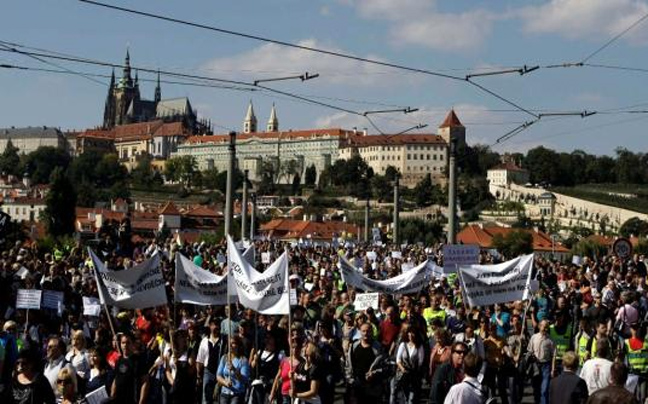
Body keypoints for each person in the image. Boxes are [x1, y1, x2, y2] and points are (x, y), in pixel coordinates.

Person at [345, 322, 385, 404]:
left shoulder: (378, 347)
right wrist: (350, 380)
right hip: (356, 384)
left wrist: (373, 373)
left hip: (372, 387)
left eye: (368, 331)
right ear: (360, 332)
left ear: (372, 332)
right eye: (363, 331)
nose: (366, 333)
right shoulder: (354, 346)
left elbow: (383, 367)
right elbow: (348, 364)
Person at [111, 333, 149, 404]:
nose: (125, 345)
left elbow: (145, 383)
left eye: (128, 343)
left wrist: (141, 402)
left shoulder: (138, 360)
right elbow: (116, 379)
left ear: (133, 344)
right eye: (123, 343)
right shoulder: (118, 360)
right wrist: (112, 396)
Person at [392, 323, 425, 404]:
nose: (411, 335)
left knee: (411, 399)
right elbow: (398, 359)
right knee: (404, 395)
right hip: (403, 375)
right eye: (409, 333)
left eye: (413, 333)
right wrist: (402, 368)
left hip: (414, 376)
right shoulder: (403, 345)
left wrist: (415, 370)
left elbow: (420, 362)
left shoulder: (419, 346)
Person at [196, 317, 226, 404]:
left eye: (217, 325)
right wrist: (198, 375)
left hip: (220, 372)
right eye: (214, 325)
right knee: (206, 398)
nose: (216, 327)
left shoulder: (224, 341)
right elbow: (199, 360)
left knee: (218, 398)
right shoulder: (204, 341)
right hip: (208, 372)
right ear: (210, 326)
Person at [270, 334, 304, 404]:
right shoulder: (284, 361)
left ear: (300, 348)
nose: (295, 350)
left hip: (296, 395)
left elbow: (304, 378)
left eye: (297, 348)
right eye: (293, 347)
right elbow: (277, 377)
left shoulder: (303, 363)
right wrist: (272, 392)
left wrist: (296, 377)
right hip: (284, 394)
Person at [216, 335, 251, 404]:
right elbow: (218, 375)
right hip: (224, 393)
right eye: (229, 343)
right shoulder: (224, 358)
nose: (231, 345)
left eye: (233, 343)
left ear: (238, 345)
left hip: (237, 394)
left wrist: (234, 370)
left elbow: (245, 380)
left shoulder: (243, 360)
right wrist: (225, 382)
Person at [165, 329, 196, 404]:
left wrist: (179, 364)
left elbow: (190, 371)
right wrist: (173, 382)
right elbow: (167, 371)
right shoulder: (170, 352)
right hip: (174, 387)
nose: (183, 338)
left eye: (184, 336)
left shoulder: (189, 352)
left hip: (185, 387)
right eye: (180, 336)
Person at [528, 319, 555, 404]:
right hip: (535, 366)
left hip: (546, 366)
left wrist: (553, 369)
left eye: (547, 327)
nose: (546, 329)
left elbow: (554, 355)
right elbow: (529, 350)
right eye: (544, 326)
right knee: (536, 389)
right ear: (539, 326)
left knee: (544, 389)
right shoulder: (534, 337)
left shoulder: (550, 340)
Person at [623, 322, 648, 402]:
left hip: (644, 373)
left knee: (643, 397)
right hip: (633, 374)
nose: (636, 331)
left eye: (637, 328)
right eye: (634, 328)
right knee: (634, 397)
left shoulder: (646, 342)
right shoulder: (626, 343)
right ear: (630, 330)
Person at [65, 330, 90, 395]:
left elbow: (89, 370)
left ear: (82, 341)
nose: (75, 342)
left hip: (81, 384)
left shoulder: (86, 354)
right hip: (69, 384)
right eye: (74, 339)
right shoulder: (68, 355)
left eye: (78, 339)